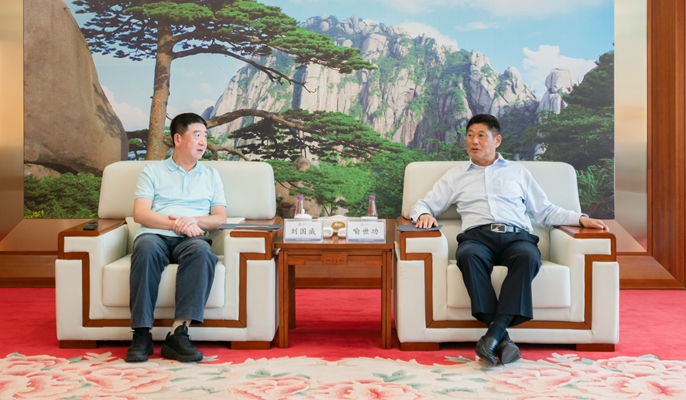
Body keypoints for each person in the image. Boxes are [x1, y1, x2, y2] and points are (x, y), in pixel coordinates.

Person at [410, 114, 608, 366]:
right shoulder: (455, 176)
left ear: (497, 140)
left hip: (516, 237)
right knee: (467, 256)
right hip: (477, 238)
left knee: (528, 257)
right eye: (470, 135)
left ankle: (493, 335)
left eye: (481, 136)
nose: (474, 141)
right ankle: (500, 338)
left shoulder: (517, 172)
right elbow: (422, 205)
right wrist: (424, 214)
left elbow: (545, 211)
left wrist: (579, 219)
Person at [125, 113, 227, 363]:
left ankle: (178, 334)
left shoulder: (211, 175)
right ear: (178, 139)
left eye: (205, 136)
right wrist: (176, 225)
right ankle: (141, 334)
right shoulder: (152, 171)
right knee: (145, 248)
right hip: (155, 234)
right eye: (197, 135)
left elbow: (219, 218)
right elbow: (140, 214)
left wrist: (193, 222)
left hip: (193, 237)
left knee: (203, 253)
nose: (203, 142)